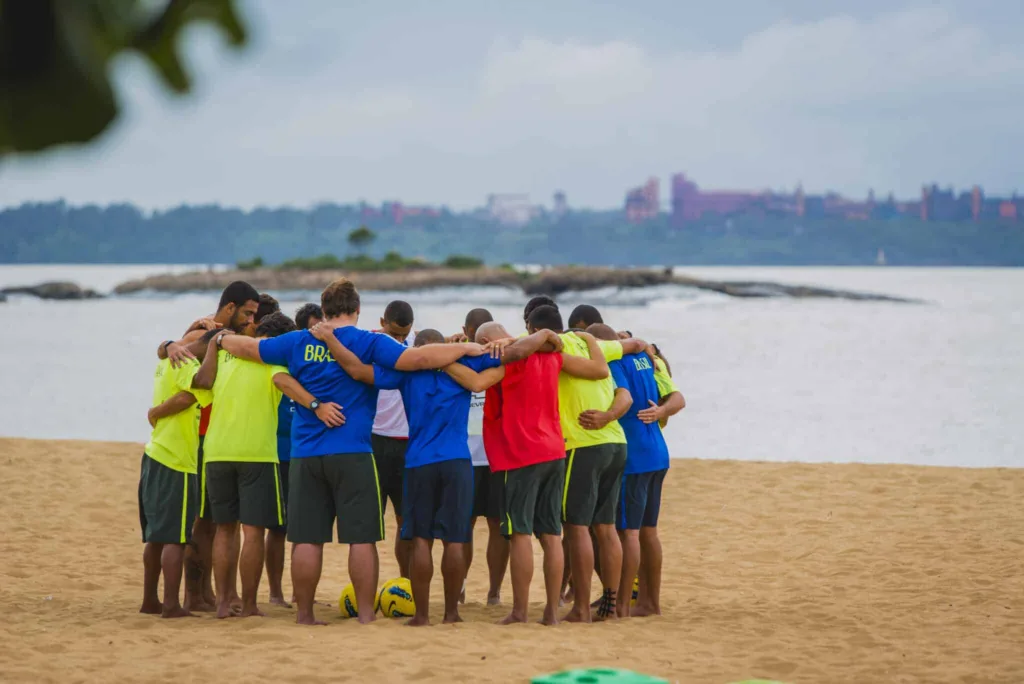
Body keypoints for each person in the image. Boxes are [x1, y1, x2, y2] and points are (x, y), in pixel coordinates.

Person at [216, 278, 488, 625]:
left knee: (308, 541)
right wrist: (463, 349)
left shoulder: (299, 340)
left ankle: (304, 614)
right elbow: (418, 358)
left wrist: (221, 337)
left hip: (306, 453)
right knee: (361, 539)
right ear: (357, 310)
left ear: (324, 309)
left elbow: (250, 349)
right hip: (354, 450)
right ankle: (364, 615)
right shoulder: (370, 341)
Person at [319, 327, 532, 626]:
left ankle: (421, 615)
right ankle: (451, 613)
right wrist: (504, 340)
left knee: (421, 540)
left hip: (419, 461)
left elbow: (356, 370)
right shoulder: (466, 365)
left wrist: (330, 340)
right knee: (456, 539)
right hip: (457, 461)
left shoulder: (405, 372)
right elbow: (515, 355)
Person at [456, 318, 610, 626]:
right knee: (552, 534)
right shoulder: (549, 355)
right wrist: (549, 336)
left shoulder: (500, 358)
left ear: (488, 341)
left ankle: (520, 611)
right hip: (553, 449)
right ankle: (551, 613)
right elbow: (597, 369)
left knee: (520, 534)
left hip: (519, 453)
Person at [203, 312, 345, 619]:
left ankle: (223, 602)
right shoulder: (271, 361)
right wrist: (316, 406)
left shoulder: (225, 359)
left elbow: (202, 388)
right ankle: (251, 604)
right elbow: (283, 382)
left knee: (225, 530)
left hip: (215, 452)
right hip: (256, 453)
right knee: (253, 532)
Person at [529, 304, 647, 621]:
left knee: (576, 527)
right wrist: (636, 342)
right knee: (606, 528)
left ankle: (581, 608)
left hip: (582, 444)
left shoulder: (548, 348)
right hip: (615, 441)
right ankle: (612, 604)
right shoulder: (594, 344)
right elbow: (635, 345)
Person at [158, 280, 260, 612]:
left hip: (217, 436)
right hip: (202, 437)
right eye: (246, 313)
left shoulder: (227, 337)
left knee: (214, 523)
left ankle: (204, 593)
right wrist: (170, 343)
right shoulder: (210, 333)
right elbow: (178, 356)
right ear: (229, 308)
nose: (248, 320)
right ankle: (194, 593)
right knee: (203, 523)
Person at [587, 324, 685, 618]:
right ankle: (649, 602)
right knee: (648, 531)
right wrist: (662, 412)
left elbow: (624, 397)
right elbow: (674, 395)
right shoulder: (646, 359)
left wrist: (606, 417)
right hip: (657, 452)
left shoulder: (614, 362)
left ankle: (620, 607)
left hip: (634, 456)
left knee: (628, 532)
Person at [139, 329, 222, 618]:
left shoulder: (166, 361)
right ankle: (172, 604)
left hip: (155, 452)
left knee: (156, 536)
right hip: (177, 459)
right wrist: (157, 412)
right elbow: (190, 396)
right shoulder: (190, 365)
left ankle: (150, 600)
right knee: (176, 537)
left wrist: (167, 344)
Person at [458, 307, 509, 605]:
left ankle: (465, 590)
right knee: (495, 526)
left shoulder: (455, 356)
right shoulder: (505, 357)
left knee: (468, 526)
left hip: (474, 454)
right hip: (491, 455)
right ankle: (493, 593)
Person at [370, 300, 416, 578]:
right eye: (394, 334)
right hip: (373, 442)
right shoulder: (366, 343)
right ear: (382, 321)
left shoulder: (415, 346)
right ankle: (367, 589)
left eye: (404, 336)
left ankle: (406, 582)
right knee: (369, 527)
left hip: (406, 444)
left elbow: (439, 346)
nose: (399, 341)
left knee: (405, 522)